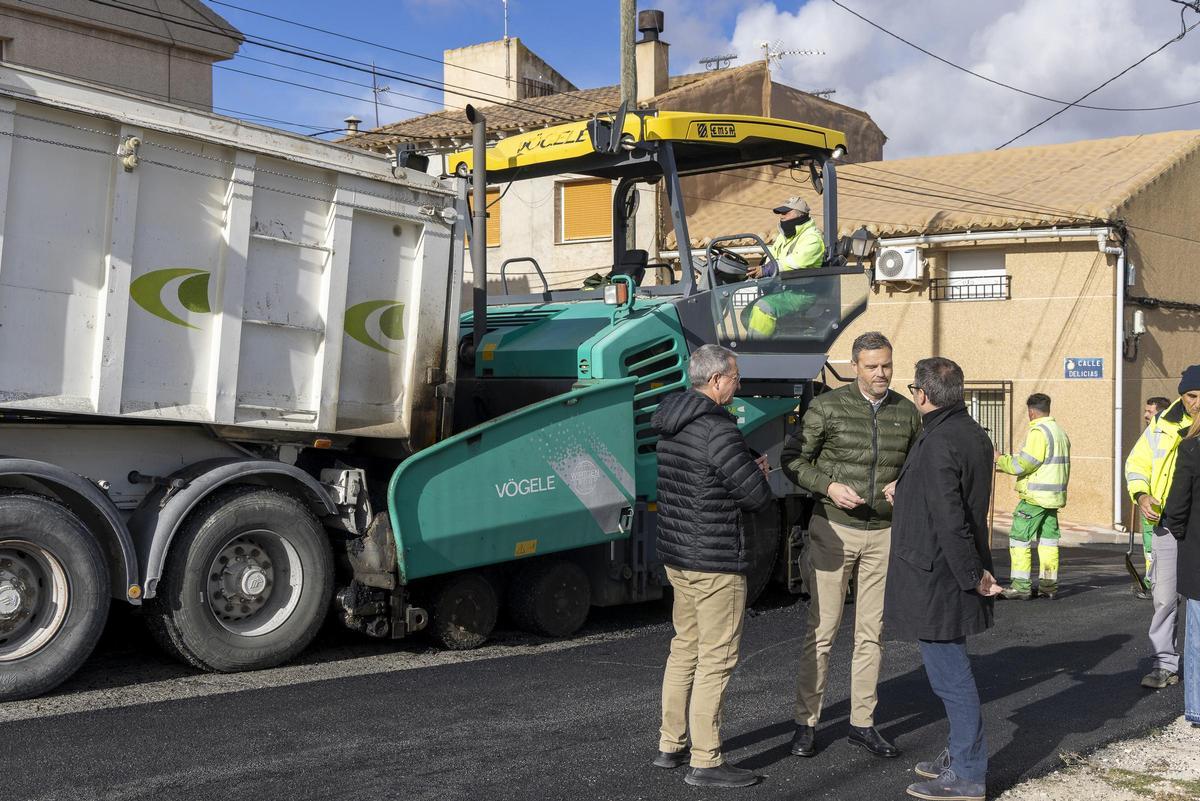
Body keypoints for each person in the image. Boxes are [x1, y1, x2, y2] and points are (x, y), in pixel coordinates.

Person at [781, 331, 921, 759]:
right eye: (872, 366)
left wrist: (905, 480)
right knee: (822, 633)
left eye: (887, 366)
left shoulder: (907, 412)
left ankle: (863, 723)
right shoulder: (826, 407)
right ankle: (806, 723)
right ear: (855, 366)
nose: (881, 374)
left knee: (871, 634)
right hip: (833, 528)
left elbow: (919, 462)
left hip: (884, 532)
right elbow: (792, 461)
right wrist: (829, 486)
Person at [651, 343, 773, 789]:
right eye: (736, 378)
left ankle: (671, 744)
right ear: (718, 381)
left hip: (679, 556)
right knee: (717, 660)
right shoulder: (717, 429)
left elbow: (701, 481)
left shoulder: (672, 422)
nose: (738, 385)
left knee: (685, 648)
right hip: (716, 560)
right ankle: (707, 759)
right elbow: (755, 499)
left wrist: (742, 466)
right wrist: (758, 471)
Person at [885, 357, 1002, 801]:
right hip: (949, 568)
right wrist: (907, 488)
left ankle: (969, 773)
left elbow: (952, 519)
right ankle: (959, 753)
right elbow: (954, 497)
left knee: (951, 677)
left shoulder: (937, 440)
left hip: (940, 574)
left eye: (914, 387)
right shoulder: (970, 433)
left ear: (923, 394)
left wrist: (973, 577)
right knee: (949, 674)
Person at [1125, 365, 1200, 689]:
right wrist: (1141, 495)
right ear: (1182, 394)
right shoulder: (1161, 425)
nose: (1197, 402)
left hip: (1197, 526)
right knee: (1165, 598)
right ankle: (1165, 664)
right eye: (1191, 395)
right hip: (1167, 524)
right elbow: (1137, 464)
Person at [994, 393, 1070, 600]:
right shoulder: (1060, 432)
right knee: (1048, 543)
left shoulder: (1038, 432)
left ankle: (1020, 586)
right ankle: (1048, 586)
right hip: (1053, 498)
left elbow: (1024, 464)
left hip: (1035, 498)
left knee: (1019, 539)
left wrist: (1000, 459)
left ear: (1031, 412)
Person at [1154, 414, 1200, 729]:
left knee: (1197, 634)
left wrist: (1180, 532)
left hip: (1198, 550)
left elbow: (1177, 505)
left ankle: (1197, 707)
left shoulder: (1192, 448)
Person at [745, 196, 825, 338]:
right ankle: (774, 341)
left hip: (802, 293)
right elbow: (772, 258)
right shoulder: (785, 237)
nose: (782, 216)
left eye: (786, 212)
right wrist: (751, 269)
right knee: (747, 312)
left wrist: (767, 270)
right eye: (781, 213)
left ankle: (758, 351)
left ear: (800, 215)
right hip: (785, 290)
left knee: (763, 308)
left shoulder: (812, 238)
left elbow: (797, 261)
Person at [1136, 396, 1173, 590]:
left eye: (1149, 411)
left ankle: (1154, 583)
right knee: (1151, 546)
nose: (1145, 415)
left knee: (1153, 546)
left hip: (1157, 502)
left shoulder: (1163, 435)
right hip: (1148, 499)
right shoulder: (1151, 434)